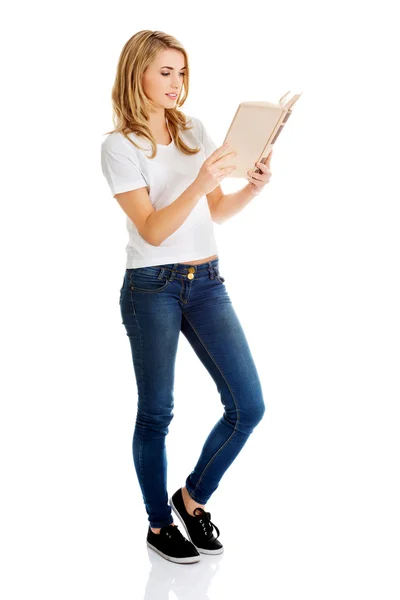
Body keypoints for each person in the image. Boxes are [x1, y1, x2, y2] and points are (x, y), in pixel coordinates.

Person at [100, 30, 272, 564]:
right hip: (152, 287)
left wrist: (253, 188)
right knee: (156, 412)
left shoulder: (194, 128)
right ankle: (158, 525)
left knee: (249, 406)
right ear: (138, 74)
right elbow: (152, 230)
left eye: (181, 71)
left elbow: (214, 212)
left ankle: (192, 499)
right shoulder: (119, 145)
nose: (177, 83)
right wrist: (199, 182)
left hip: (207, 282)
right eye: (165, 72)